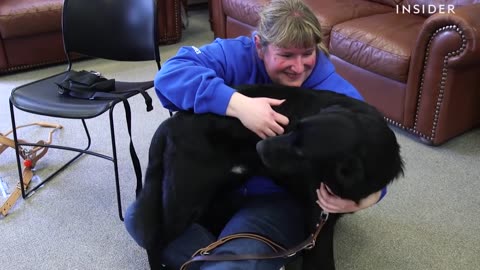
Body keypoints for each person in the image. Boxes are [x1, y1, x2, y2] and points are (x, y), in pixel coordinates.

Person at [125, 0, 387, 269]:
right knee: (138, 220)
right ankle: (229, 254)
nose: (298, 67)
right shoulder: (237, 54)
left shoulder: (337, 94)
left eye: (307, 53)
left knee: (218, 255)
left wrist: (365, 198)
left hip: (278, 199)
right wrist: (238, 104)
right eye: (286, 55)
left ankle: (229, 254)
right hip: (222, 182)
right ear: (260, 46)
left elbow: (375, 155)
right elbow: (170, 75)